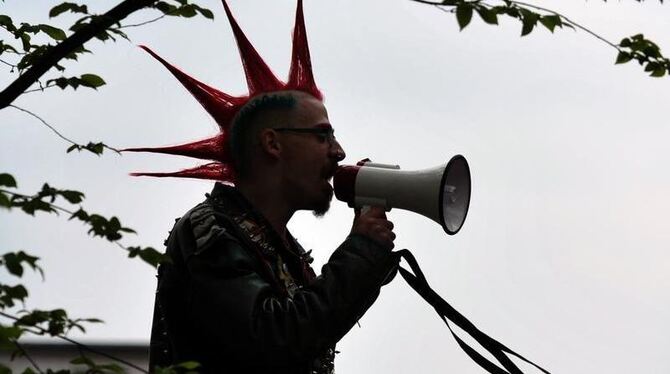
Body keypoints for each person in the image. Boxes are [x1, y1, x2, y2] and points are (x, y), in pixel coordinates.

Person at [147, 90, 398, 373]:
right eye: (322, 136)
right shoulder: (211, 229)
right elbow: (274, 340)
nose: (338, 152)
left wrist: (367, 257)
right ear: (272, 143)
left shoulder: (283, 251)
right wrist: (361, 252)